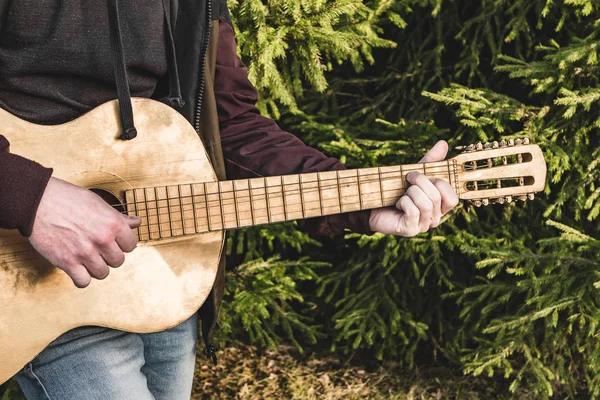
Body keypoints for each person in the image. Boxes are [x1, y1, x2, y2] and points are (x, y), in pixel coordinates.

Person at [0, 0, 459, 398]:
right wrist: (33, 199)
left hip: (161, 268)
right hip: (32, 267)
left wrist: (363, 203)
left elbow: (229, 124)